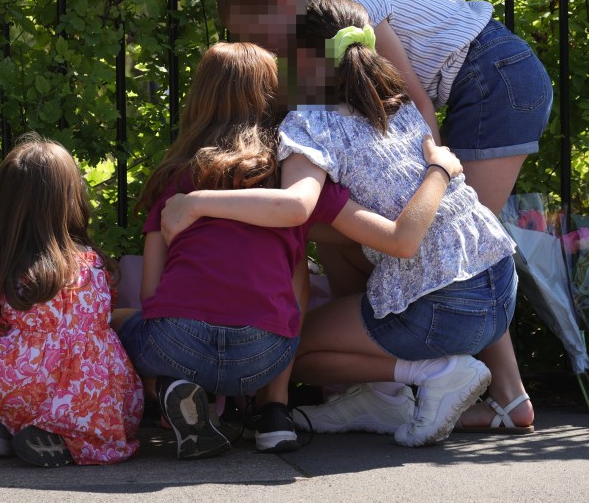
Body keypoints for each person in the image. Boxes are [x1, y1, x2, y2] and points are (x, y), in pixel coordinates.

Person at [215, 0, 548, 433]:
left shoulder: (351, 11)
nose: (254, 48)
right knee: (450, 246)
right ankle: (401, 391)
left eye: (253, 34)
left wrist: (432, 167)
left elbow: (417, 98)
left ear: (282, 6)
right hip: (487, 94)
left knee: (449, 250)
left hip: (495, 76)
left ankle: (472, 385)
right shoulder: (340, 58)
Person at [162, 0, 519, 448]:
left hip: (445, 312)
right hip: (500, 291)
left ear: (306, 59)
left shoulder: (310, 125)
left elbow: (297, 206)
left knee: (292, 349)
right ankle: (382, 399)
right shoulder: (396, 104)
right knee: (340, 246)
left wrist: (197, 203)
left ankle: (436, 374)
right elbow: (323, 221)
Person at [115, 41, 463, 458]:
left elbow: (152, 294)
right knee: (289, 299)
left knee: (120, 323)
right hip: (263, 354)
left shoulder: (173, 182)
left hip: (178, 342)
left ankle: (171, 390)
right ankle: (274, 415)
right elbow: (297, 287)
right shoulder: (292, 171)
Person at [0, 134, 144, 467]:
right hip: (105, 407)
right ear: (71, 200)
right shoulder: (95, 265)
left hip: (28, 390)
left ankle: (10, 422)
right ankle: (68, 439)